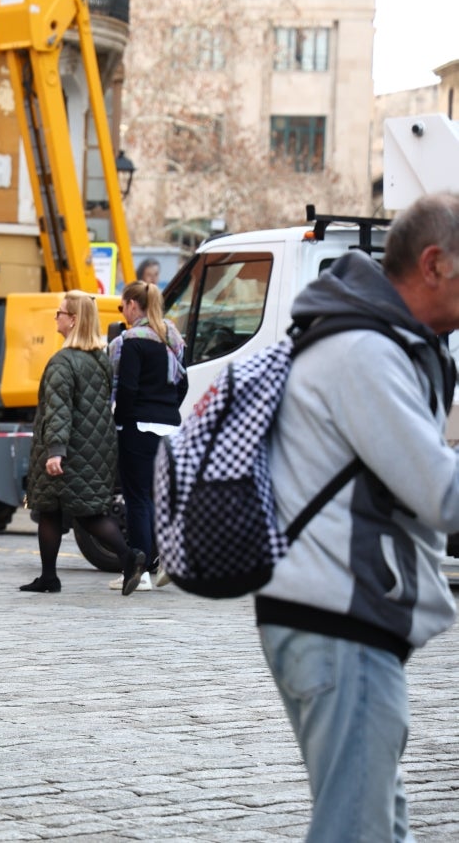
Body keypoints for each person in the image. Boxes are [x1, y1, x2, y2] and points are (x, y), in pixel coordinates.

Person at [257, 193, 459, 842]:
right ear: (434, 264)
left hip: (337, 618)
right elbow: (442, 494)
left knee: (381, 825)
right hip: (342, 622)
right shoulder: (365, 353)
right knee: (360, 831)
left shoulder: (372, 341)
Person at [20, 291, 146, 595]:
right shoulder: (98, 360)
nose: (56, 317)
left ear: (73, 320)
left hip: (69, 448)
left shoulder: (62, 363)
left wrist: (55, 452)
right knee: (72, 510)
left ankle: (128, 556)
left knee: (71, 512)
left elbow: (58, 410)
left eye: (60, 313)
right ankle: (49, 576)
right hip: (96, 446)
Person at [108, 281, 187, 590]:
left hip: (138, 426)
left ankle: (139, 570)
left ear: (132, 306)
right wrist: (166, 409)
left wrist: (121, 421)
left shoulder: (132, 341)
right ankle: (167, 558)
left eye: (123, 306)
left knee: (138, 498)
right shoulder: (171, 339)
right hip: (170, 426)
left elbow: (127, 388)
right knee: (161, 496)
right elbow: (182, 383)